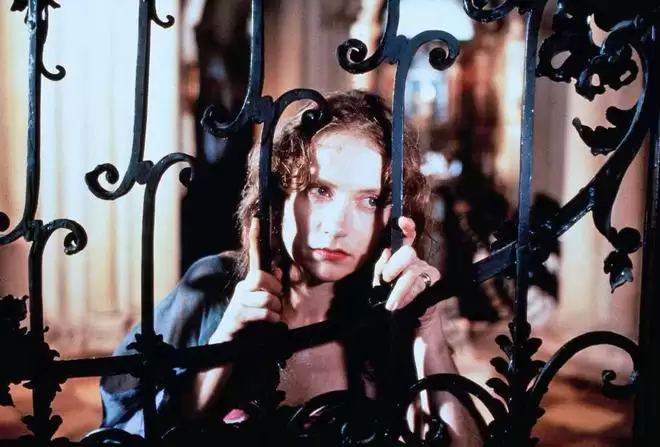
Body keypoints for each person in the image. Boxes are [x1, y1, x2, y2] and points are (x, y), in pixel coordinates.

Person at [99, 90, 483, 445]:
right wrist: (223, 345)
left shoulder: (392, 318)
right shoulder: (211, 288)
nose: (336, 226)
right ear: (281, 195)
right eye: (320, 190)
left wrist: (429, 336)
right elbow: (123, 427)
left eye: (370, 200)